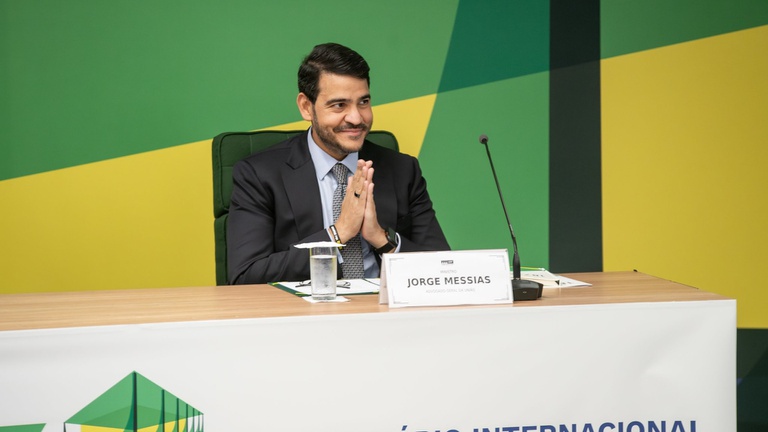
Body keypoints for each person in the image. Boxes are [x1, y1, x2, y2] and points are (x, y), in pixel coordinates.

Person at [227, 42, 449, 284]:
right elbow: (246, 275)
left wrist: (381, 239)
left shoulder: (402, 170)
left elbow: (443, 269)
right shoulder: (259, 175)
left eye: (363, 102)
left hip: (381, 305)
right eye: (339, 105)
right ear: (306, 107)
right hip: (305, 306)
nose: (356, 118)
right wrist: (338, 233)